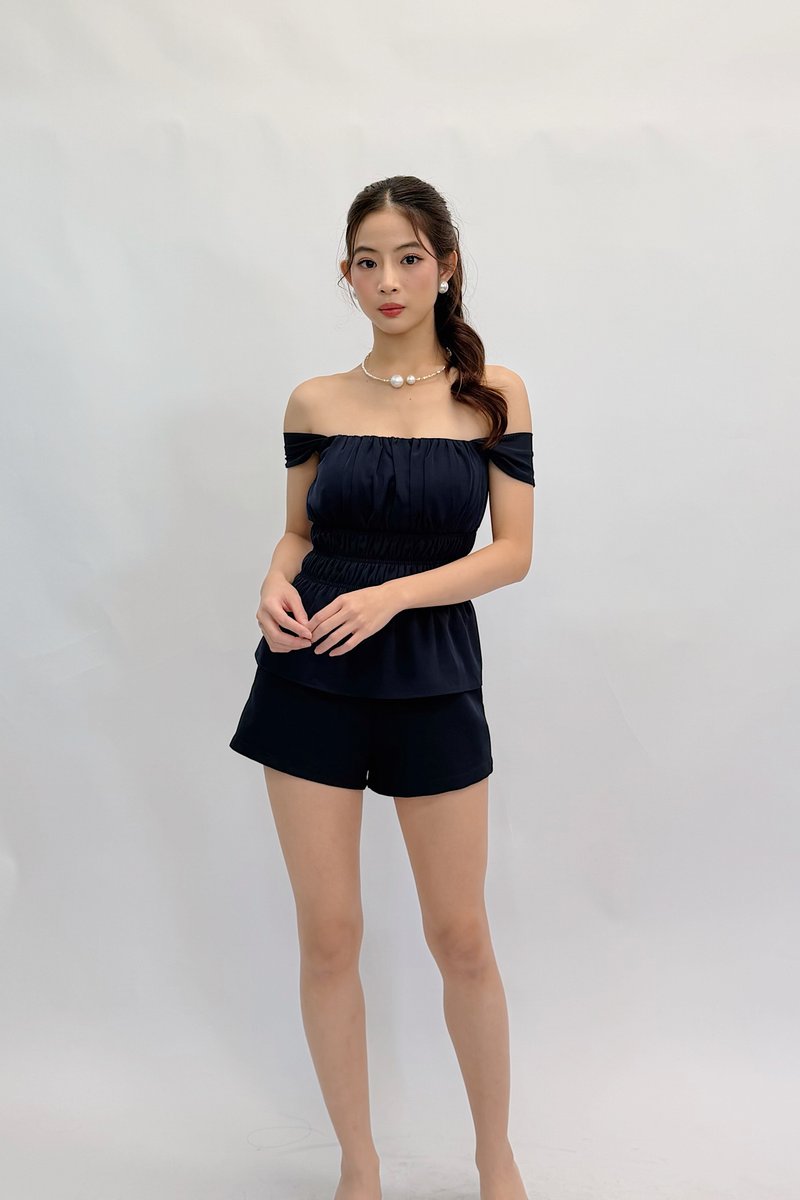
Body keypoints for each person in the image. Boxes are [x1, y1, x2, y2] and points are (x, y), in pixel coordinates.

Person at [230, 175, 535, 1200]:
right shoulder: (314, 401)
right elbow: (298, 531)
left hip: (432, 673)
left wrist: (393, 596)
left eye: (409, 257)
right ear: (347, 275)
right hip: (309, 670)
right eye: (368, 261)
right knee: (329, 936)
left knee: (461, 935)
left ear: (444, 266)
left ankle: (495, 1158)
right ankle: (357, 1168)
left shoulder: (494, 393)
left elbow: (512, 554)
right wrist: (273, 579)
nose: (389, 279)